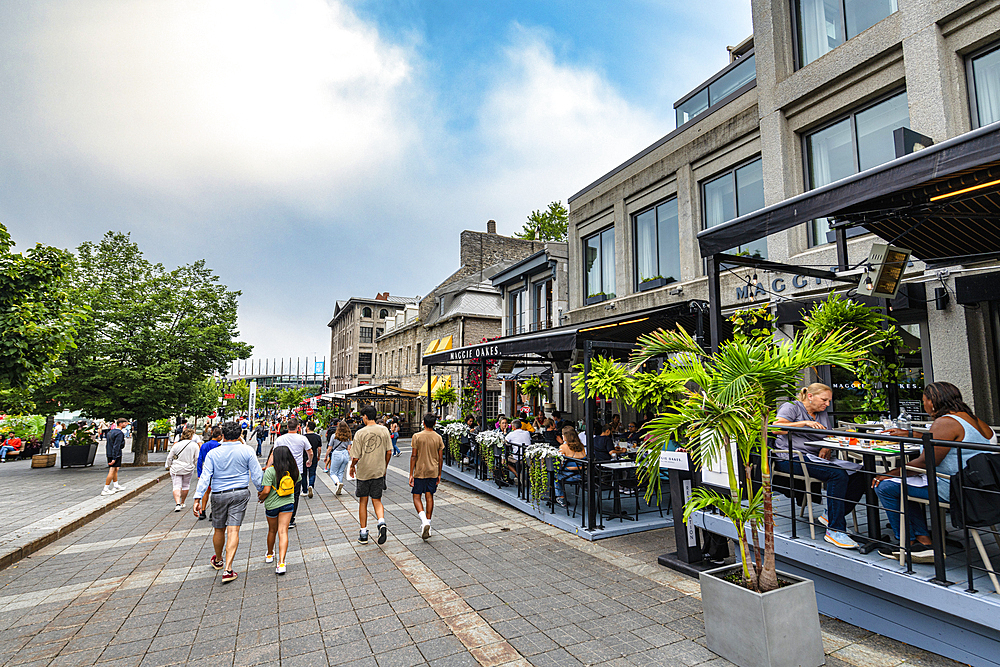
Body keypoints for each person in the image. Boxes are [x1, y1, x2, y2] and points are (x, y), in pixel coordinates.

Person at [874, 382, 997, 562]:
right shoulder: (975, 421)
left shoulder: (945, 422)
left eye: (924, 401)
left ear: (932, 402)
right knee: (904, 484)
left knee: (886, 486)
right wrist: (911, 435)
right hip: (979, 488)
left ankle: (908, 544)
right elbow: (944, 440)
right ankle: (923, 540)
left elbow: (926, 462)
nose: (924, 405)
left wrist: (891, 473)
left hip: (955, 488)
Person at [774, 382, 867, 550]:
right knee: (838, 474)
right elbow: (776, 428)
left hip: (818, 458)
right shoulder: (791, 407)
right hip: (792, 458)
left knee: (862, 473)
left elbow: (829, 435)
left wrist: (826, 446)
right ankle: (835, 530)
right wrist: (803, 423)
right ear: (810, 396)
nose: (827, 404)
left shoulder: (822, 413)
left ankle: (829, 515)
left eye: (829, 401)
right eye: (824, 400)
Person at [192, 421, 264, 583]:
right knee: (233, 530)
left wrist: (198, 497)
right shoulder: (247, 450)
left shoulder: (213, 453)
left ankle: (218, 559)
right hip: (240, 492)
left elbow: (205, 477)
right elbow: (257, 474)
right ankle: (228, 569)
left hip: (218, 493)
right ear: (240, 435)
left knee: (219, 529)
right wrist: (261, 490)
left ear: (222, 435)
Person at [350, 405, 393, 545]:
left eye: (362, 416)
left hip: (363, 472)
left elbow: (355, 456)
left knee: (363, 501)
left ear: (366, 417)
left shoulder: (360, 433)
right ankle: (381, 522)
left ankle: (363, 533)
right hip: (378, 471)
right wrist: (384, 466)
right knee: (377, 499)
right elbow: (389, 452)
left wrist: (352, 466)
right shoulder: (384, 430)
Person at [258, 444, 299, 574]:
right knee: (283, 531)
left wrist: (261, 498)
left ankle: (270, 554)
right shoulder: (293, 470)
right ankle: (281, 563)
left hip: (272, 505)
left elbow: (266, 490)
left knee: (272, 530)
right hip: (288, 503)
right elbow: (297, 481)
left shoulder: (270, 471)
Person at [268, 417, 313, 529]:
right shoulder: (302, 439)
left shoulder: (280, 439)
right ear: (298, 427)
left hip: (281, 470)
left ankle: (281, 514)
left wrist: (268, 467)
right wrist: (309, 461)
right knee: (295, 495)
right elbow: (310, 452)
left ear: (287, 427)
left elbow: (273, 454)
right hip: (297, 471)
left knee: (281, 490)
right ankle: (291, 519)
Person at [409, 413, 444, 539]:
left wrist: (411, 473)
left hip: (420, 470)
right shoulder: (438, 437)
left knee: (416, 496)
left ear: (423, 423)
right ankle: (428, 523)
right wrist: (439, 473)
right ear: (435, 423)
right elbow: (440, 458)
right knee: (429, 496)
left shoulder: (417, 436)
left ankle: (423, 521)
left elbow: (414, 455)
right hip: (433, 470)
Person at [165, 428, 199, 511]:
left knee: (176, 485)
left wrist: (168, 465)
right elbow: (197, 458)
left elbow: (170, 457)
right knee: (185, 485)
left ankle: (177, 503)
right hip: (188, 468)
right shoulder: (194, 445)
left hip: (176, 468)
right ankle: (183, 502)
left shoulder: (176, 445)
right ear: (191, 436)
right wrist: (195, 466)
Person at [555, 426, 587, 508]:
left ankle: (560, 497)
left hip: (568, 476)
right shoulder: (582, 446)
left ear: (565, 436)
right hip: (581, 476)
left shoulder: (563, 447)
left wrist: (569, 468)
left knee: (554, 474)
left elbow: (559, 464)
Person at [196, 426, 223, 520]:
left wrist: (199, 474)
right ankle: (212, 512)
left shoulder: (204, 445)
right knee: (215, 492)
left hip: (206, 471)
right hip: (216, 472)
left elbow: (199, 460)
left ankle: (203, 511)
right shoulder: (219, 446)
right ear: (219, 436)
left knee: (205, 492)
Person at [325, 421, 352, 496]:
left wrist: (326, 456)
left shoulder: (334, 436)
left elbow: (330, 448)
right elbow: (349, 448)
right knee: (340, 472)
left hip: (337, 453)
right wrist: (352, 458)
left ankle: (338, 483)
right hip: (345, 454)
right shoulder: (348, 436)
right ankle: (339, 488)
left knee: (333, 473)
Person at [102, 419, 128, 496]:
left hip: (110, 452)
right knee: (112, 469)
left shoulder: (110, 432)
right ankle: (105, 489)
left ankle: (116, 485)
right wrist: (114, 457)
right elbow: (117, 445)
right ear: (120, 424)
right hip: (116, 454)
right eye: (125, 423)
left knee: (116, 468)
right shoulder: (119, 433)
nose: (126, 424)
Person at [303, 421, 322, 497]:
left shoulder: (303, 437)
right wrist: (318, 456)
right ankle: (311, 485)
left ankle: (304, 490)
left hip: (304, 457)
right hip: (313, 457)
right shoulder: (317, 437)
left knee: (303, 474)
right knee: (312, 472)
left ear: (307, 428)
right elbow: (319, 449)